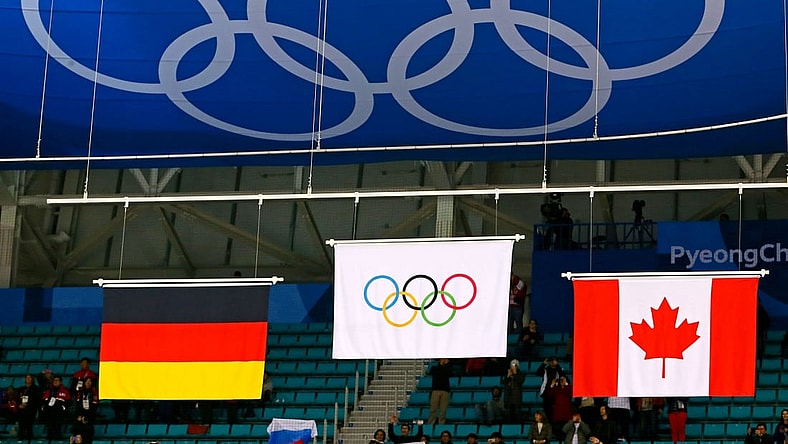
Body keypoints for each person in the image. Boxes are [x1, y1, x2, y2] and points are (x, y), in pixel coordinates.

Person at [41, 375, 71, 440]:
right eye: (54, 380)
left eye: (57, 380)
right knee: (49, 431)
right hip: (49, 413)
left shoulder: (65, 391)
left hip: (59, 414)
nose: (55, 382)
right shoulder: (48, 390)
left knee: (57, 430)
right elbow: (43, 401)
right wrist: (44, 408)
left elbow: (68, 402)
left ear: (60, 382)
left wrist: (63, 408)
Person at [544, 376, 573, 441]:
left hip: (566, 414)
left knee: (567, 432)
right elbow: (549, 394)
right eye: (561, 380)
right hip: (557, 414)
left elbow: (571, 393)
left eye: (563, 379)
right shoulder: (557, 389)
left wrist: (566, 384)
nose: (562, 381)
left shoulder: (568, 388)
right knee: (558, 432)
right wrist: (552, 384)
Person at [16, 374, 41, 442]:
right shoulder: (21, 389)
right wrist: (20, 405)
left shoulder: (36, 389)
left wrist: (28, 405)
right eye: (27, 378)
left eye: (30, 378)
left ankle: (29, 440)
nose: (28, 379)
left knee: (28, 427)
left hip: (31, 411)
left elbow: (37, 400)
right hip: (21, 411)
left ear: (32, 379)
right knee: (21, 426)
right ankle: (20, 440)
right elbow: (17, 399)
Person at [428, 359, 452, 425]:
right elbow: (431, 372)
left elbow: (450, 373)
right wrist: (441, 365)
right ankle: (431, 423)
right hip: (436, 390)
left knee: (443, 410)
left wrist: (446, 365)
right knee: (433, 409)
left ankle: (441, 423)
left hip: (445, 391)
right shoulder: (434, 368)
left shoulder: (448, 368)